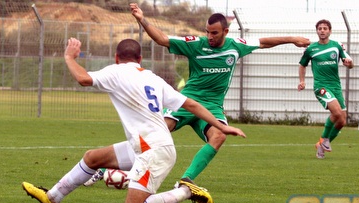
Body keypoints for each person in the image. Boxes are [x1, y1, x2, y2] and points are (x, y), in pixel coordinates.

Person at [84, 3, 310, 187]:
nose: (209, 36)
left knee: (219, 137)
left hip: (211, 107)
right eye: (207, 32)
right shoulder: (196, 45)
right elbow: (163, 39)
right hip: (186, 101)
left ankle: (186, 180)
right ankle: (106, 167)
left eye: (214, 33)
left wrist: (291, 39)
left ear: (225, 32)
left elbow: (263, 42)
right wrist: (142, 19)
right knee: (154, 133)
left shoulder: (235, 46)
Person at [22, 38, 246, 203]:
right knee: (92, 158)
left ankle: (186, 191)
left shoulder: (116, 71)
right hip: (145, 145)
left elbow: (82, 78)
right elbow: (191, 104)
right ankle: (52, 198)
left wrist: (69, 57)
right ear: (140, 58)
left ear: (116, 57)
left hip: (154, 151)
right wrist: (221, 126)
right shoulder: (153, 78)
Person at [297, 19, 354, 159]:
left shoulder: (337, 46)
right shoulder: (311, 49)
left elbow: (349, 63)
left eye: (325, 28)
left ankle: (321, 145)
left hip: (335, 86)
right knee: (336, 112)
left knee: (342, 121)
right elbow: (302, 65)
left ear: (330, 31)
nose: (322, 30)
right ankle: (324, 139)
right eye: (320, 28)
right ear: (317, 31)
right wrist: (302, 81)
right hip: (321, 86)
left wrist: (349, 63)